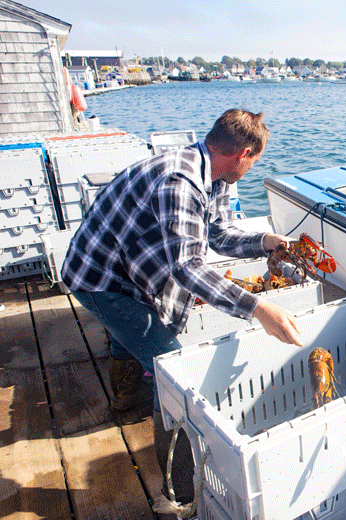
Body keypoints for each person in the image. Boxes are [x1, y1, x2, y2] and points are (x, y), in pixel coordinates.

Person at [61, 108, 303, 505]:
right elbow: (187, 267)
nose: (253, 166)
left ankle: (124, 402)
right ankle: (177, 493)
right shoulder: (181, 181)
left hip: (130, 267)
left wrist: (265, 242)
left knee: (131, 335)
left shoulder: (216, 175)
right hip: (100, 278)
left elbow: (220, 236)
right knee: (174, 374)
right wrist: (259, 309)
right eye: (255, 160)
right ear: (243, 153)